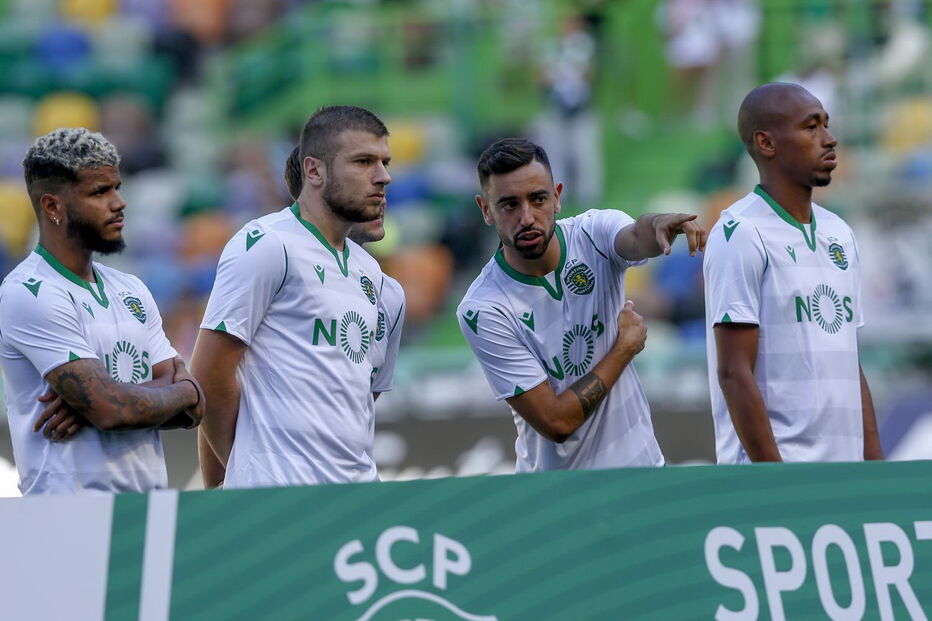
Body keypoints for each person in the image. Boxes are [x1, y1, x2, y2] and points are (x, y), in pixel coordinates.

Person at [457, 138, 706, 472]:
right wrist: (624, 349)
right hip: (560, 495)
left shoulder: (593, 233)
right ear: (486, 210)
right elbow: (557, 422)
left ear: (557, 196)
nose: (527, 217)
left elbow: (637, 236)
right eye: (509, 205)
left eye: (538, 199)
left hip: (643, 473)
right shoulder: (483, 309)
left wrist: (659, 222)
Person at [191, 106, 391, 488]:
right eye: (364, 162)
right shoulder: (267, 244)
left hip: (357, 494)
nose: (383, 176)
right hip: (280, 495)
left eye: (385, 162)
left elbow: (360, 396)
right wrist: (243, 467)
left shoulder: (369, 271)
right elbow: (208, 375)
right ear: (314, 171)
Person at [0, 128, 204, 495]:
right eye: (99, 192)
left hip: (148, 506)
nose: (119, 202)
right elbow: (111, 412)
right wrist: (181, 390)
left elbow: (194, 410)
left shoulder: (131, 288)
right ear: (52, 207)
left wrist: (112, 399)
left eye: (117, 188)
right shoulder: (28, 292)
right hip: (68, 512)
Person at [703, 82, 883, 463]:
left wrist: (874, 468)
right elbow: (734, 373)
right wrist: (779, 481)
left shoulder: (839, 233)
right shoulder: (740, 233)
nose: (829, 139)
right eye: (811, 127)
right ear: (766, 143)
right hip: (781, 476)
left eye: (826, 125)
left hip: (843, 473)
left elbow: (849, 364)